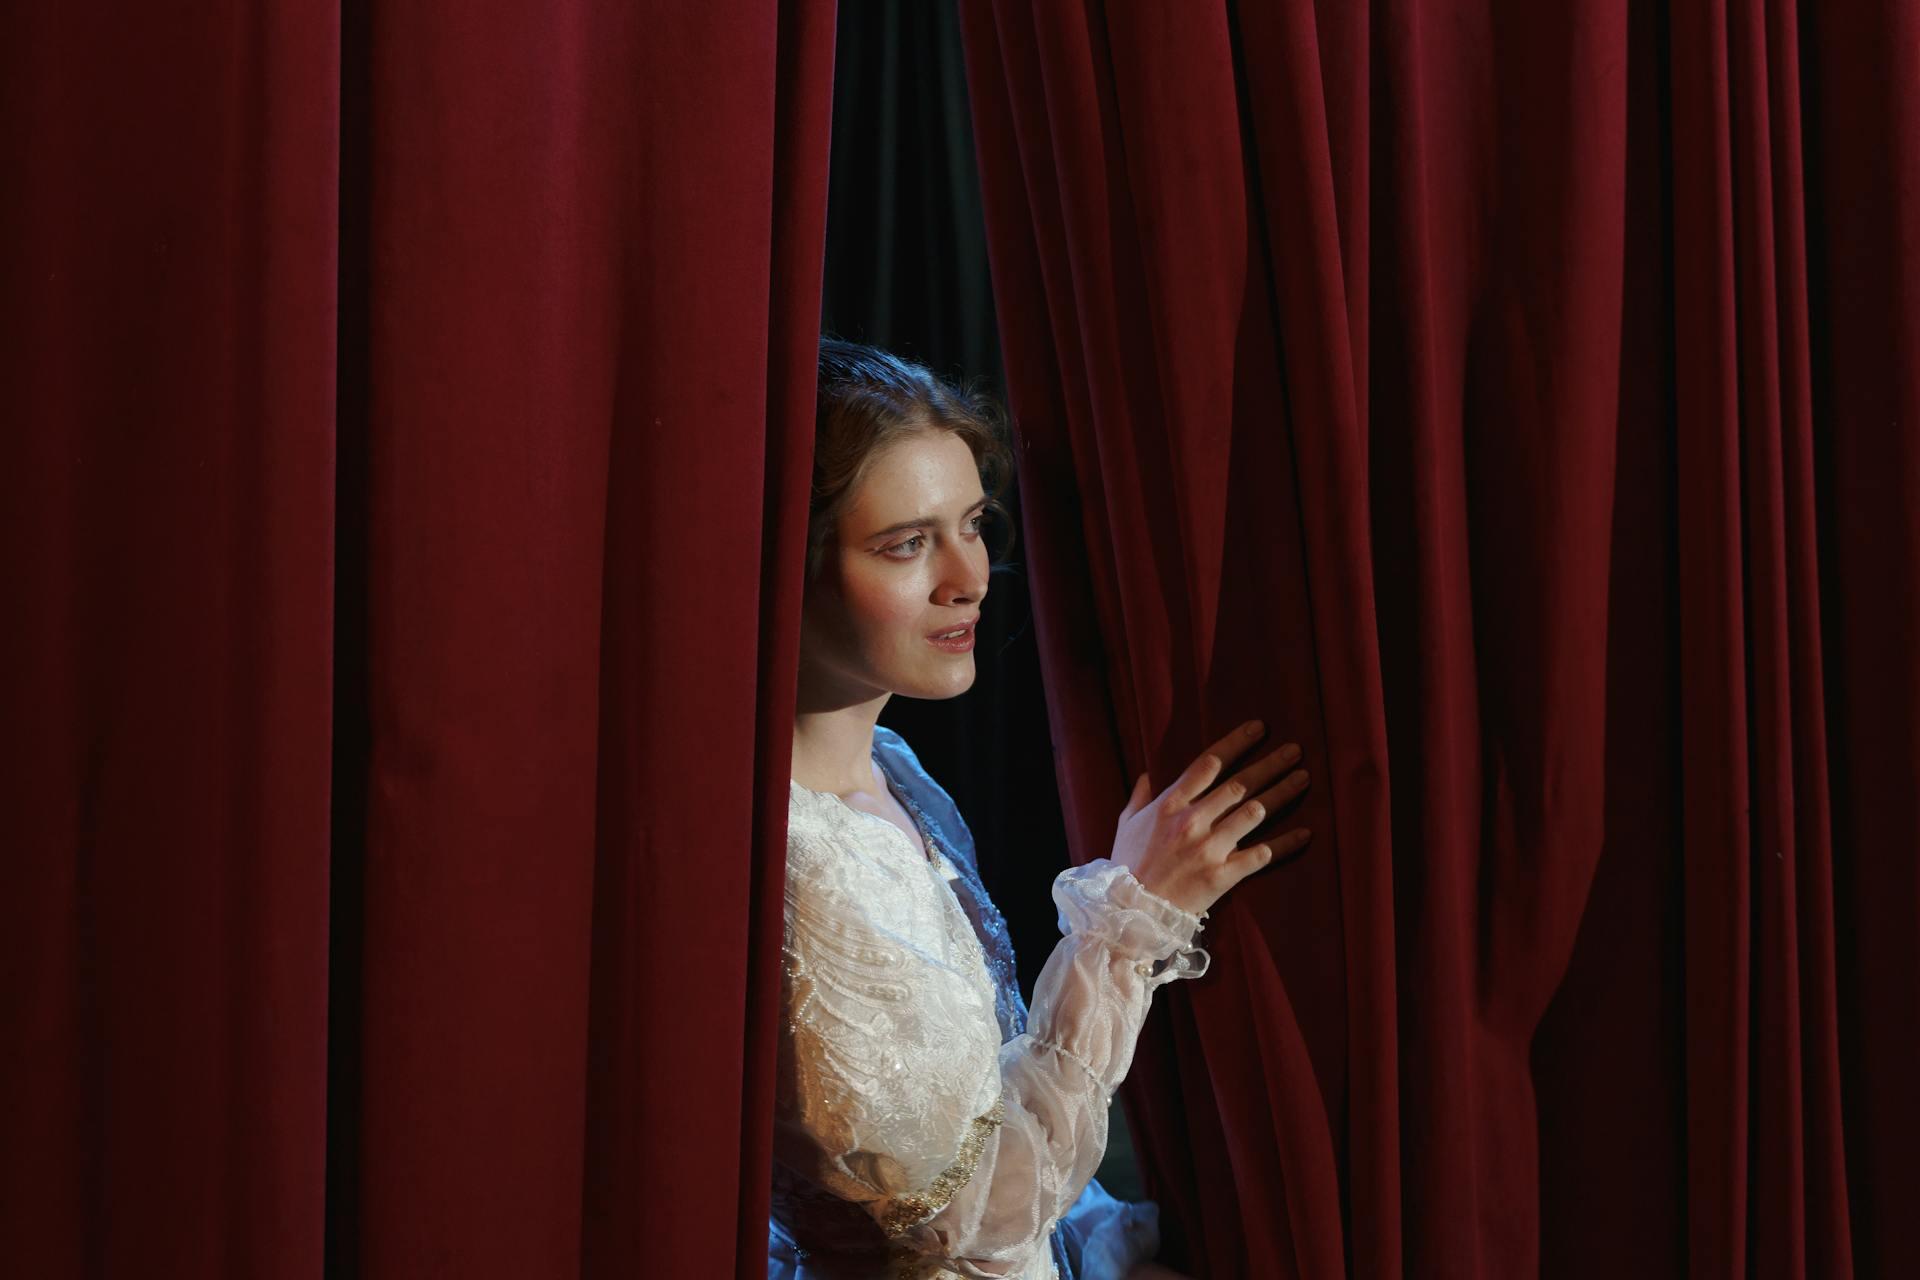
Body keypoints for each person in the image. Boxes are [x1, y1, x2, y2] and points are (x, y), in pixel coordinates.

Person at [770, 340, 1314, 1279]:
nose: (968, 578)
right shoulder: (791, 860)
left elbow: (981, 1111)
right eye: (906, 544)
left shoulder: (896, 771)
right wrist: (1129, 921)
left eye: (973, 524)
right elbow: (961, 1221)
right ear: (792, 564)